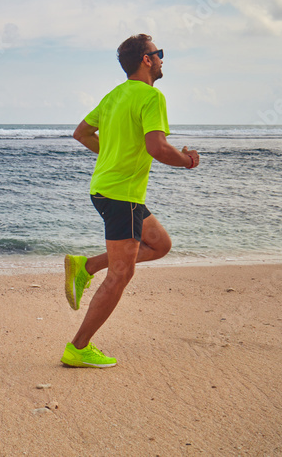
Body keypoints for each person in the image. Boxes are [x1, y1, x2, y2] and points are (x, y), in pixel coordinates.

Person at [61, 34, 199, 368]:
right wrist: (186, 160)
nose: (162, 59)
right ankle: (78, 348)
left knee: (160, 244)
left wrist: (111, 153)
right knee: (122, 274)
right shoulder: (151, 96)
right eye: (159, 54)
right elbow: (157, 147)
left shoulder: (113, 96)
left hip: (108, 191)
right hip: (122, 196)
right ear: (147, 59)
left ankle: (87, 266)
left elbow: (81, 133)